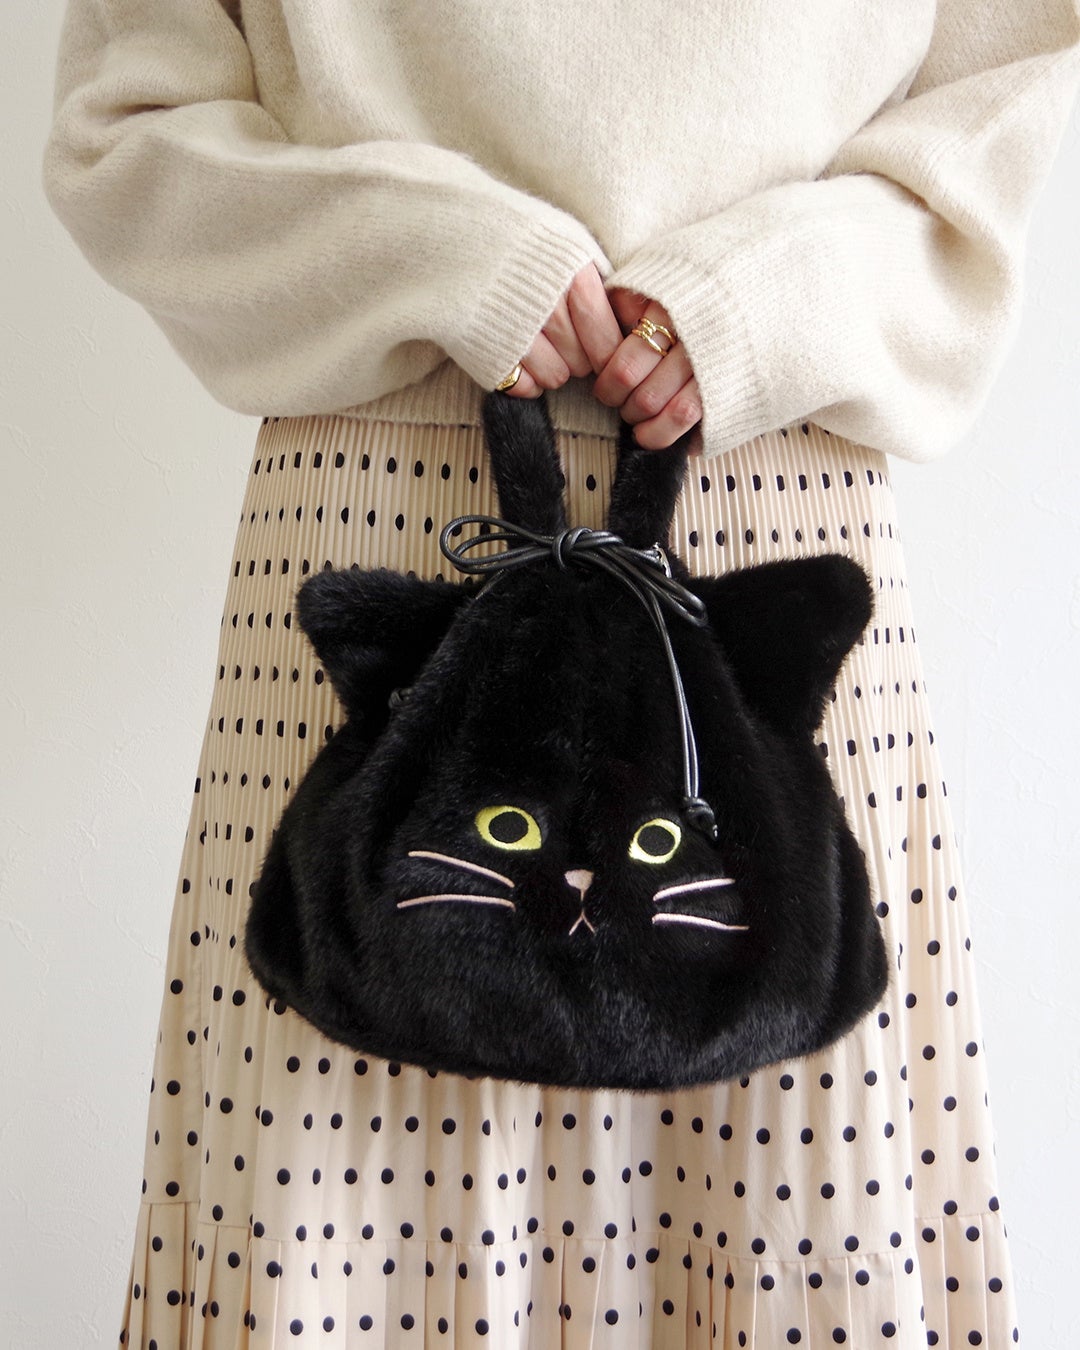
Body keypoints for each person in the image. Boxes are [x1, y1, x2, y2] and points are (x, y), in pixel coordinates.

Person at [43, 1, 1080, 1345]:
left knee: (789, 1215)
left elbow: (999, 109)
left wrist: (775, 294)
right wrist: (428, 249)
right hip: (392, 499)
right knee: (342, 1195)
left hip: (762, 513)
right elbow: (129, 127)